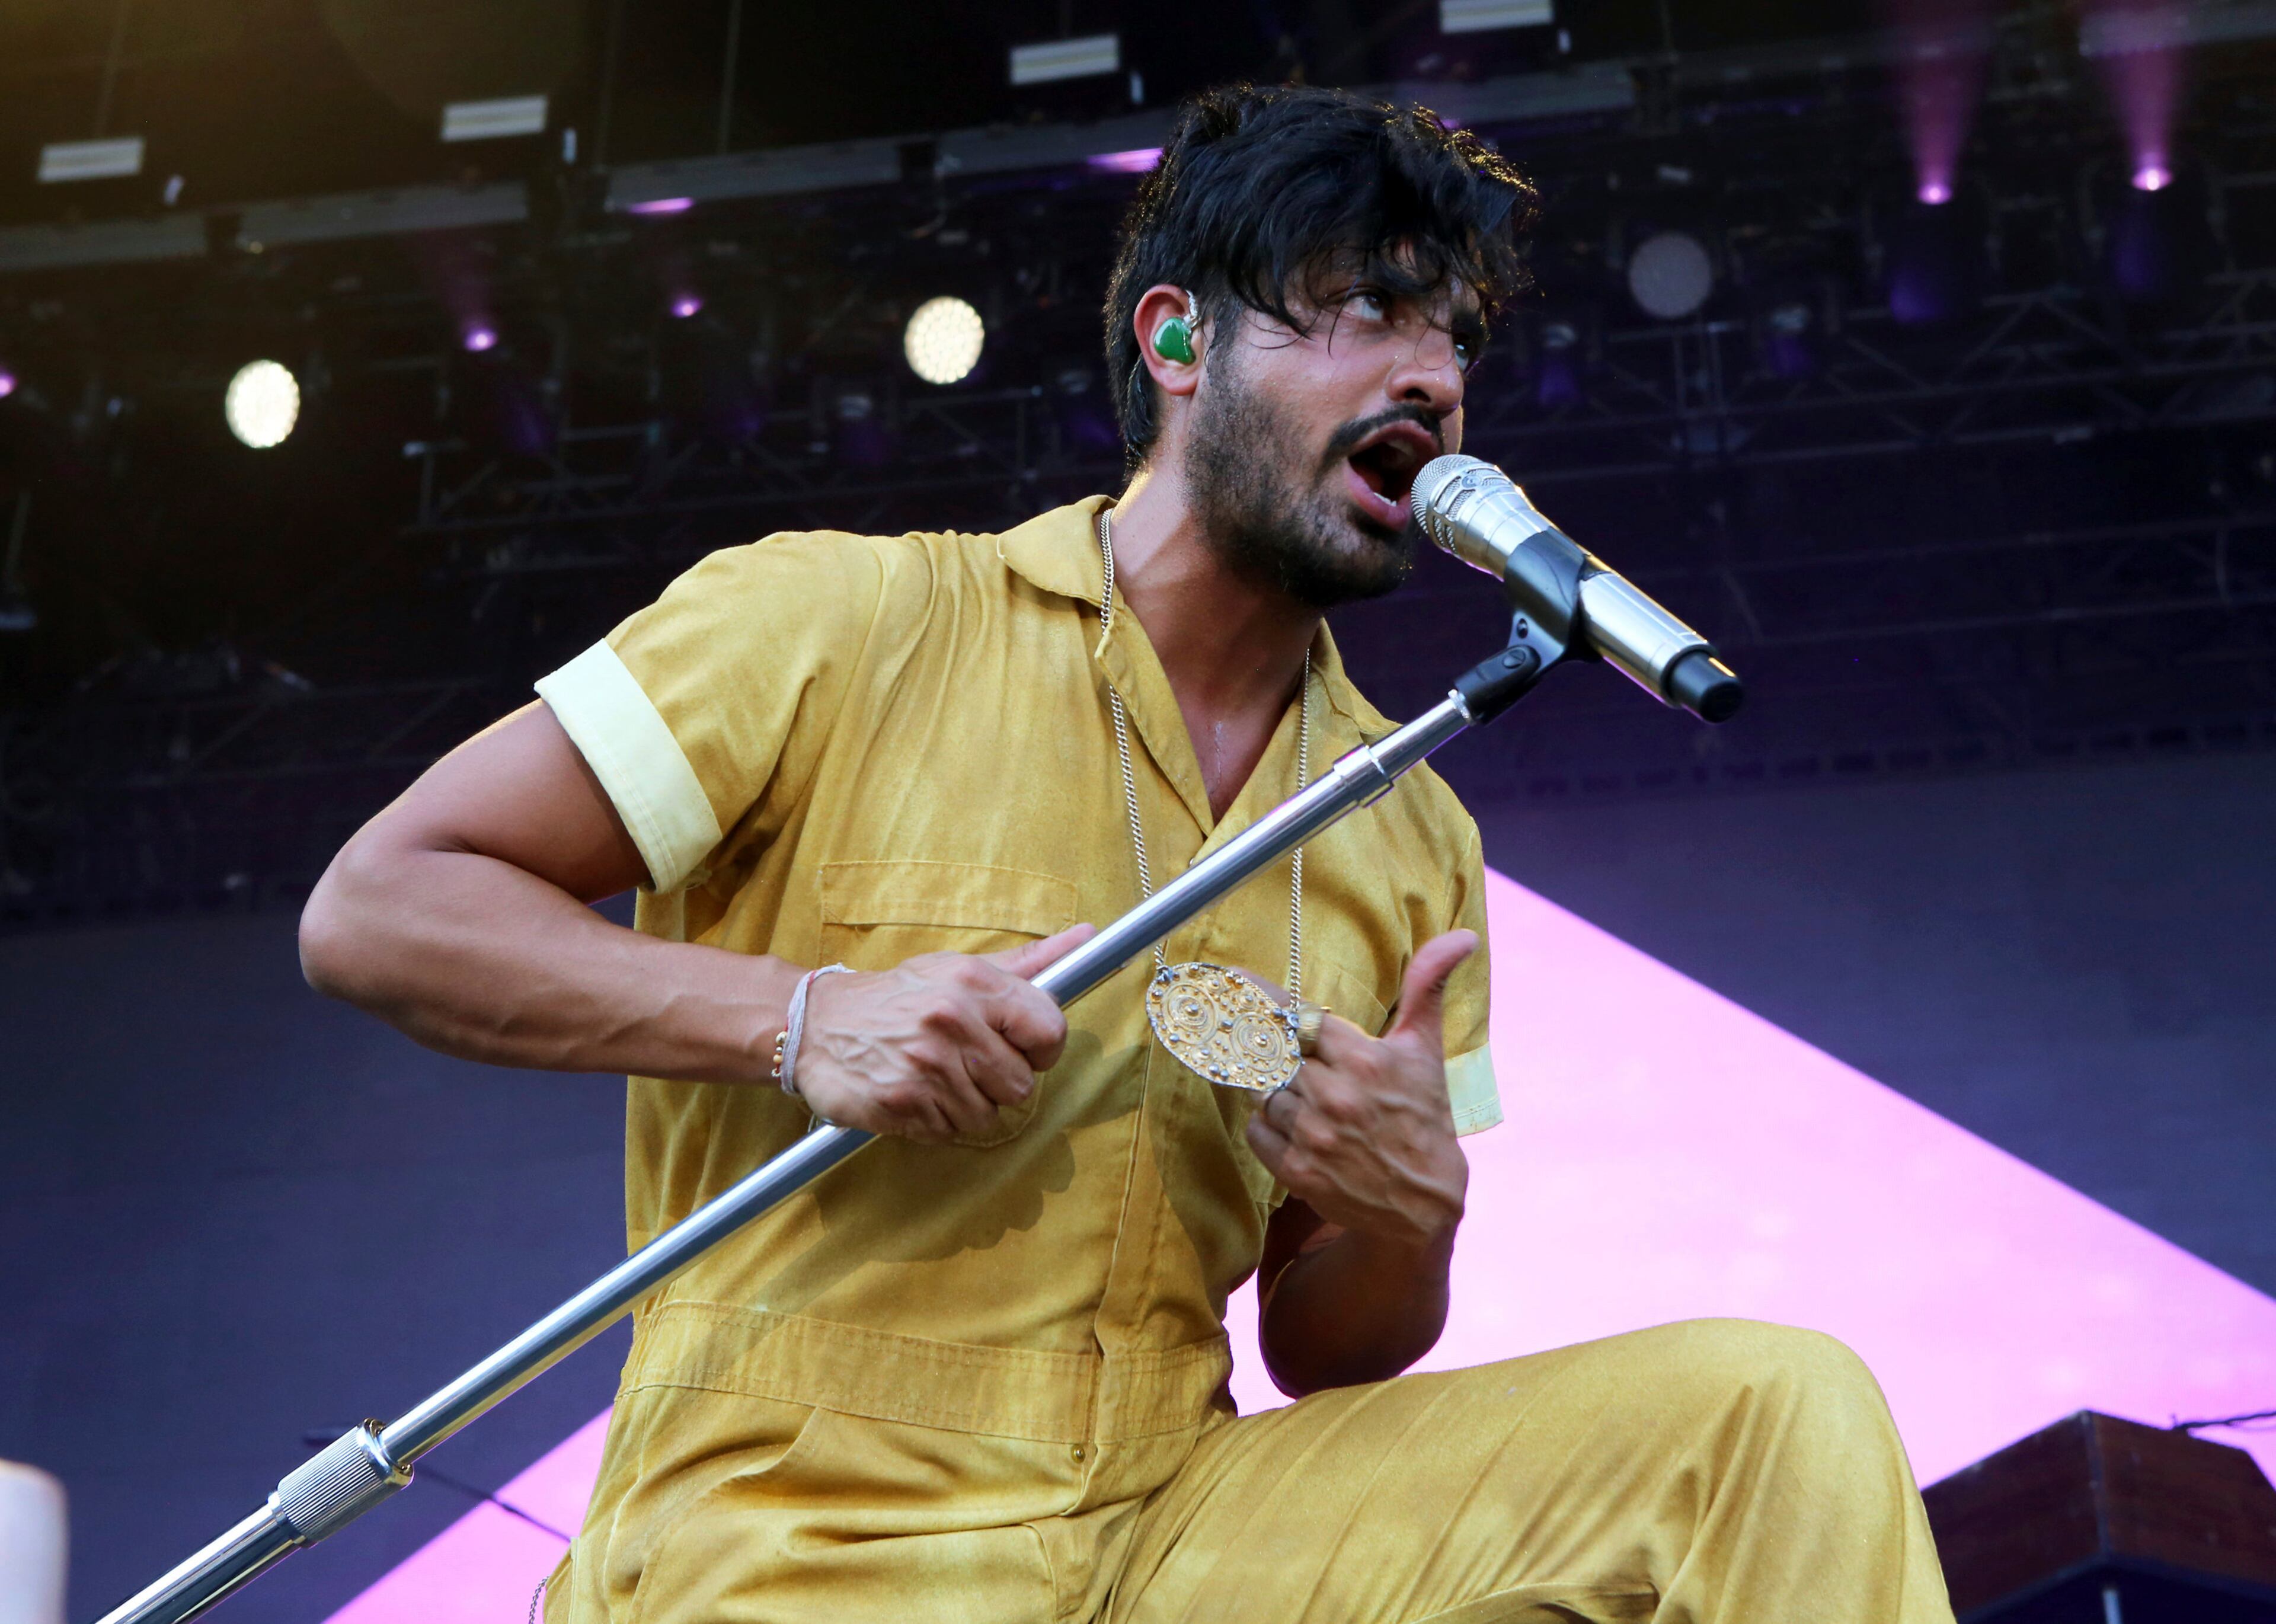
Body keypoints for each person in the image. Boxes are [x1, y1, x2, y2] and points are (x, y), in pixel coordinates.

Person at [301, 83, 1954, 1624]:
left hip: (1176, 1513)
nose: (1434, 373)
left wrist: (1407, 1218)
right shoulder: (839, 617)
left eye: (1451, 333)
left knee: (1770, 1415)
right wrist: (802, 1019)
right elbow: (381, 905)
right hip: (793, 1527)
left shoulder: (1413, 825)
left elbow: (1329, 1345)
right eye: (1367, 307)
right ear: (1179, 340)